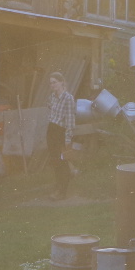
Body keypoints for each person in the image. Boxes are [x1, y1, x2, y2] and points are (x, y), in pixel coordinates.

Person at [45, 71, 75, 199]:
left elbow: (70, 120)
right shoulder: (52, 97)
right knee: (55, 161)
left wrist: (68, 139)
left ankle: (62, 191)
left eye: (55, 82)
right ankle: (58, 186)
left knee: (62, 161)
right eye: (51, 83)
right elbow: (50, 110)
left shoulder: (68, 98)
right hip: (51, 129)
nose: (52, 85)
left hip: (61, 132)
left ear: (62, 82)